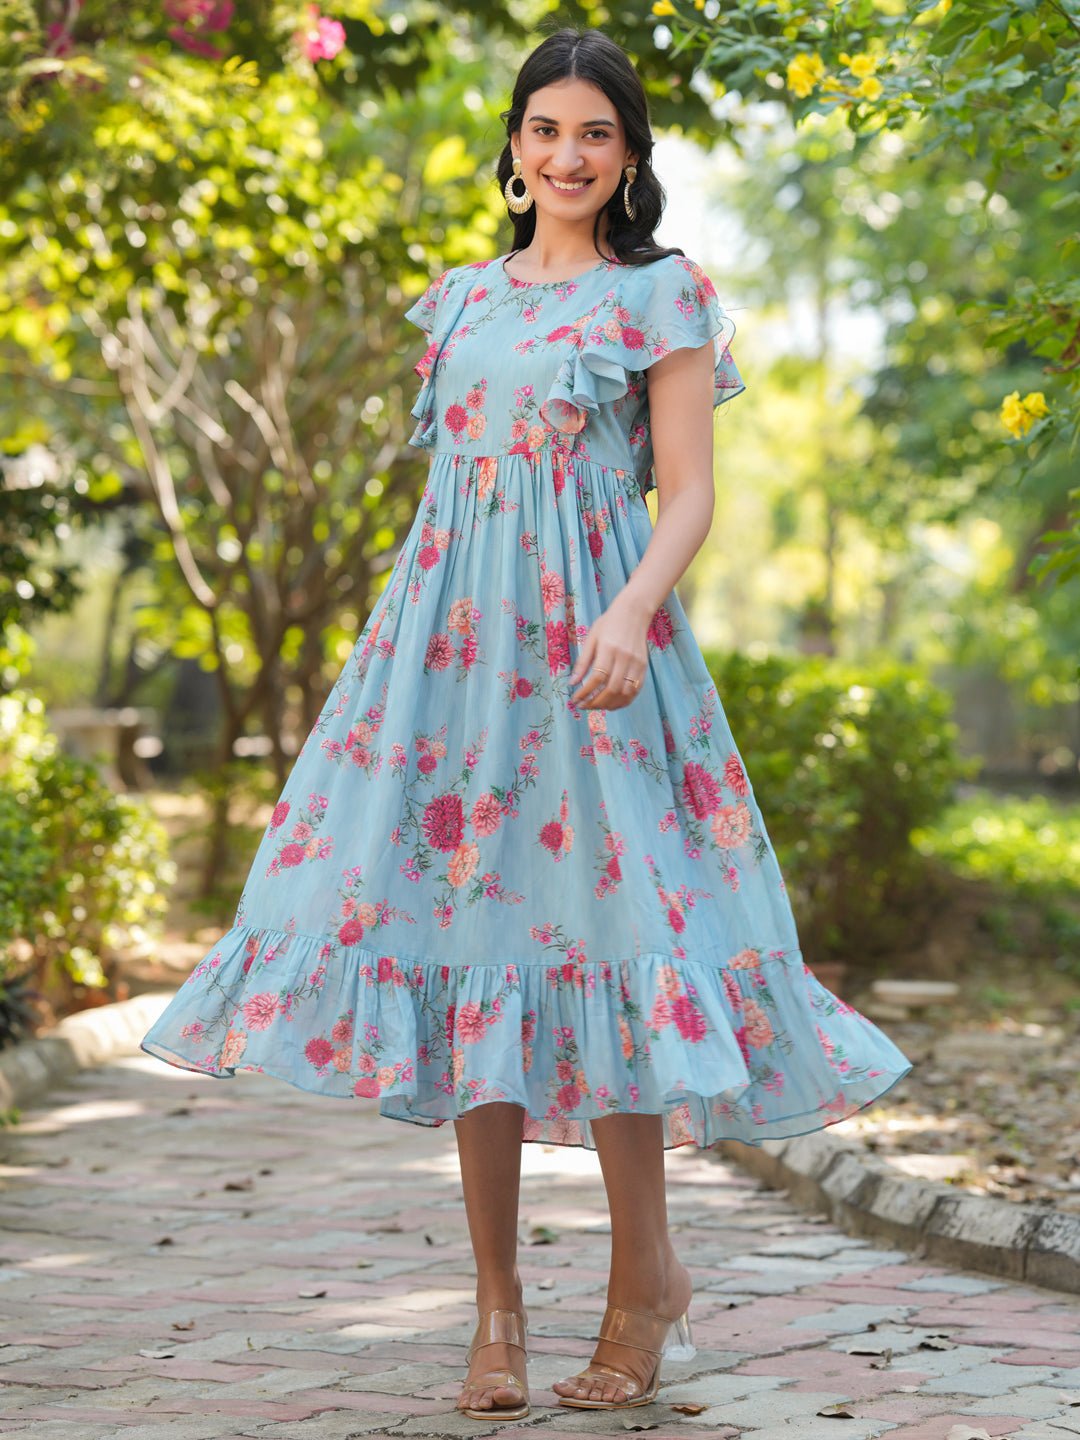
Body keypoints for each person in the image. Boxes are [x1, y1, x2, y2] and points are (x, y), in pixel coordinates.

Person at [140, 24, 913, 1425]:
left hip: (601, 659)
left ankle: (641, 1286)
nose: (568, 154)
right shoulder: (458, 304)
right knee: (466, 945)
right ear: (513, 148)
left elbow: (689, 493)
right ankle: (495, 1307)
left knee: (612, 942)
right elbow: (455, 499)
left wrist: (628, 612)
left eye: (595, 133)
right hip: (449, 667)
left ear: (628, 157)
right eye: (546, 129)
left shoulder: (662, 295)